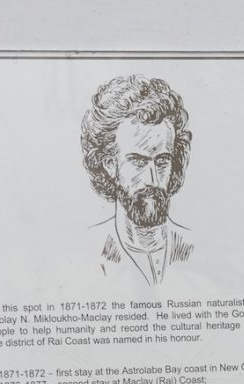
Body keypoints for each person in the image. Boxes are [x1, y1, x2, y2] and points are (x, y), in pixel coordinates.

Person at [80, 74, 194, 287]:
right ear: (109, 164)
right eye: (138, 162)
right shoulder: (86, 249)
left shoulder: (195, 247)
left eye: (162, 162)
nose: (152, 179)